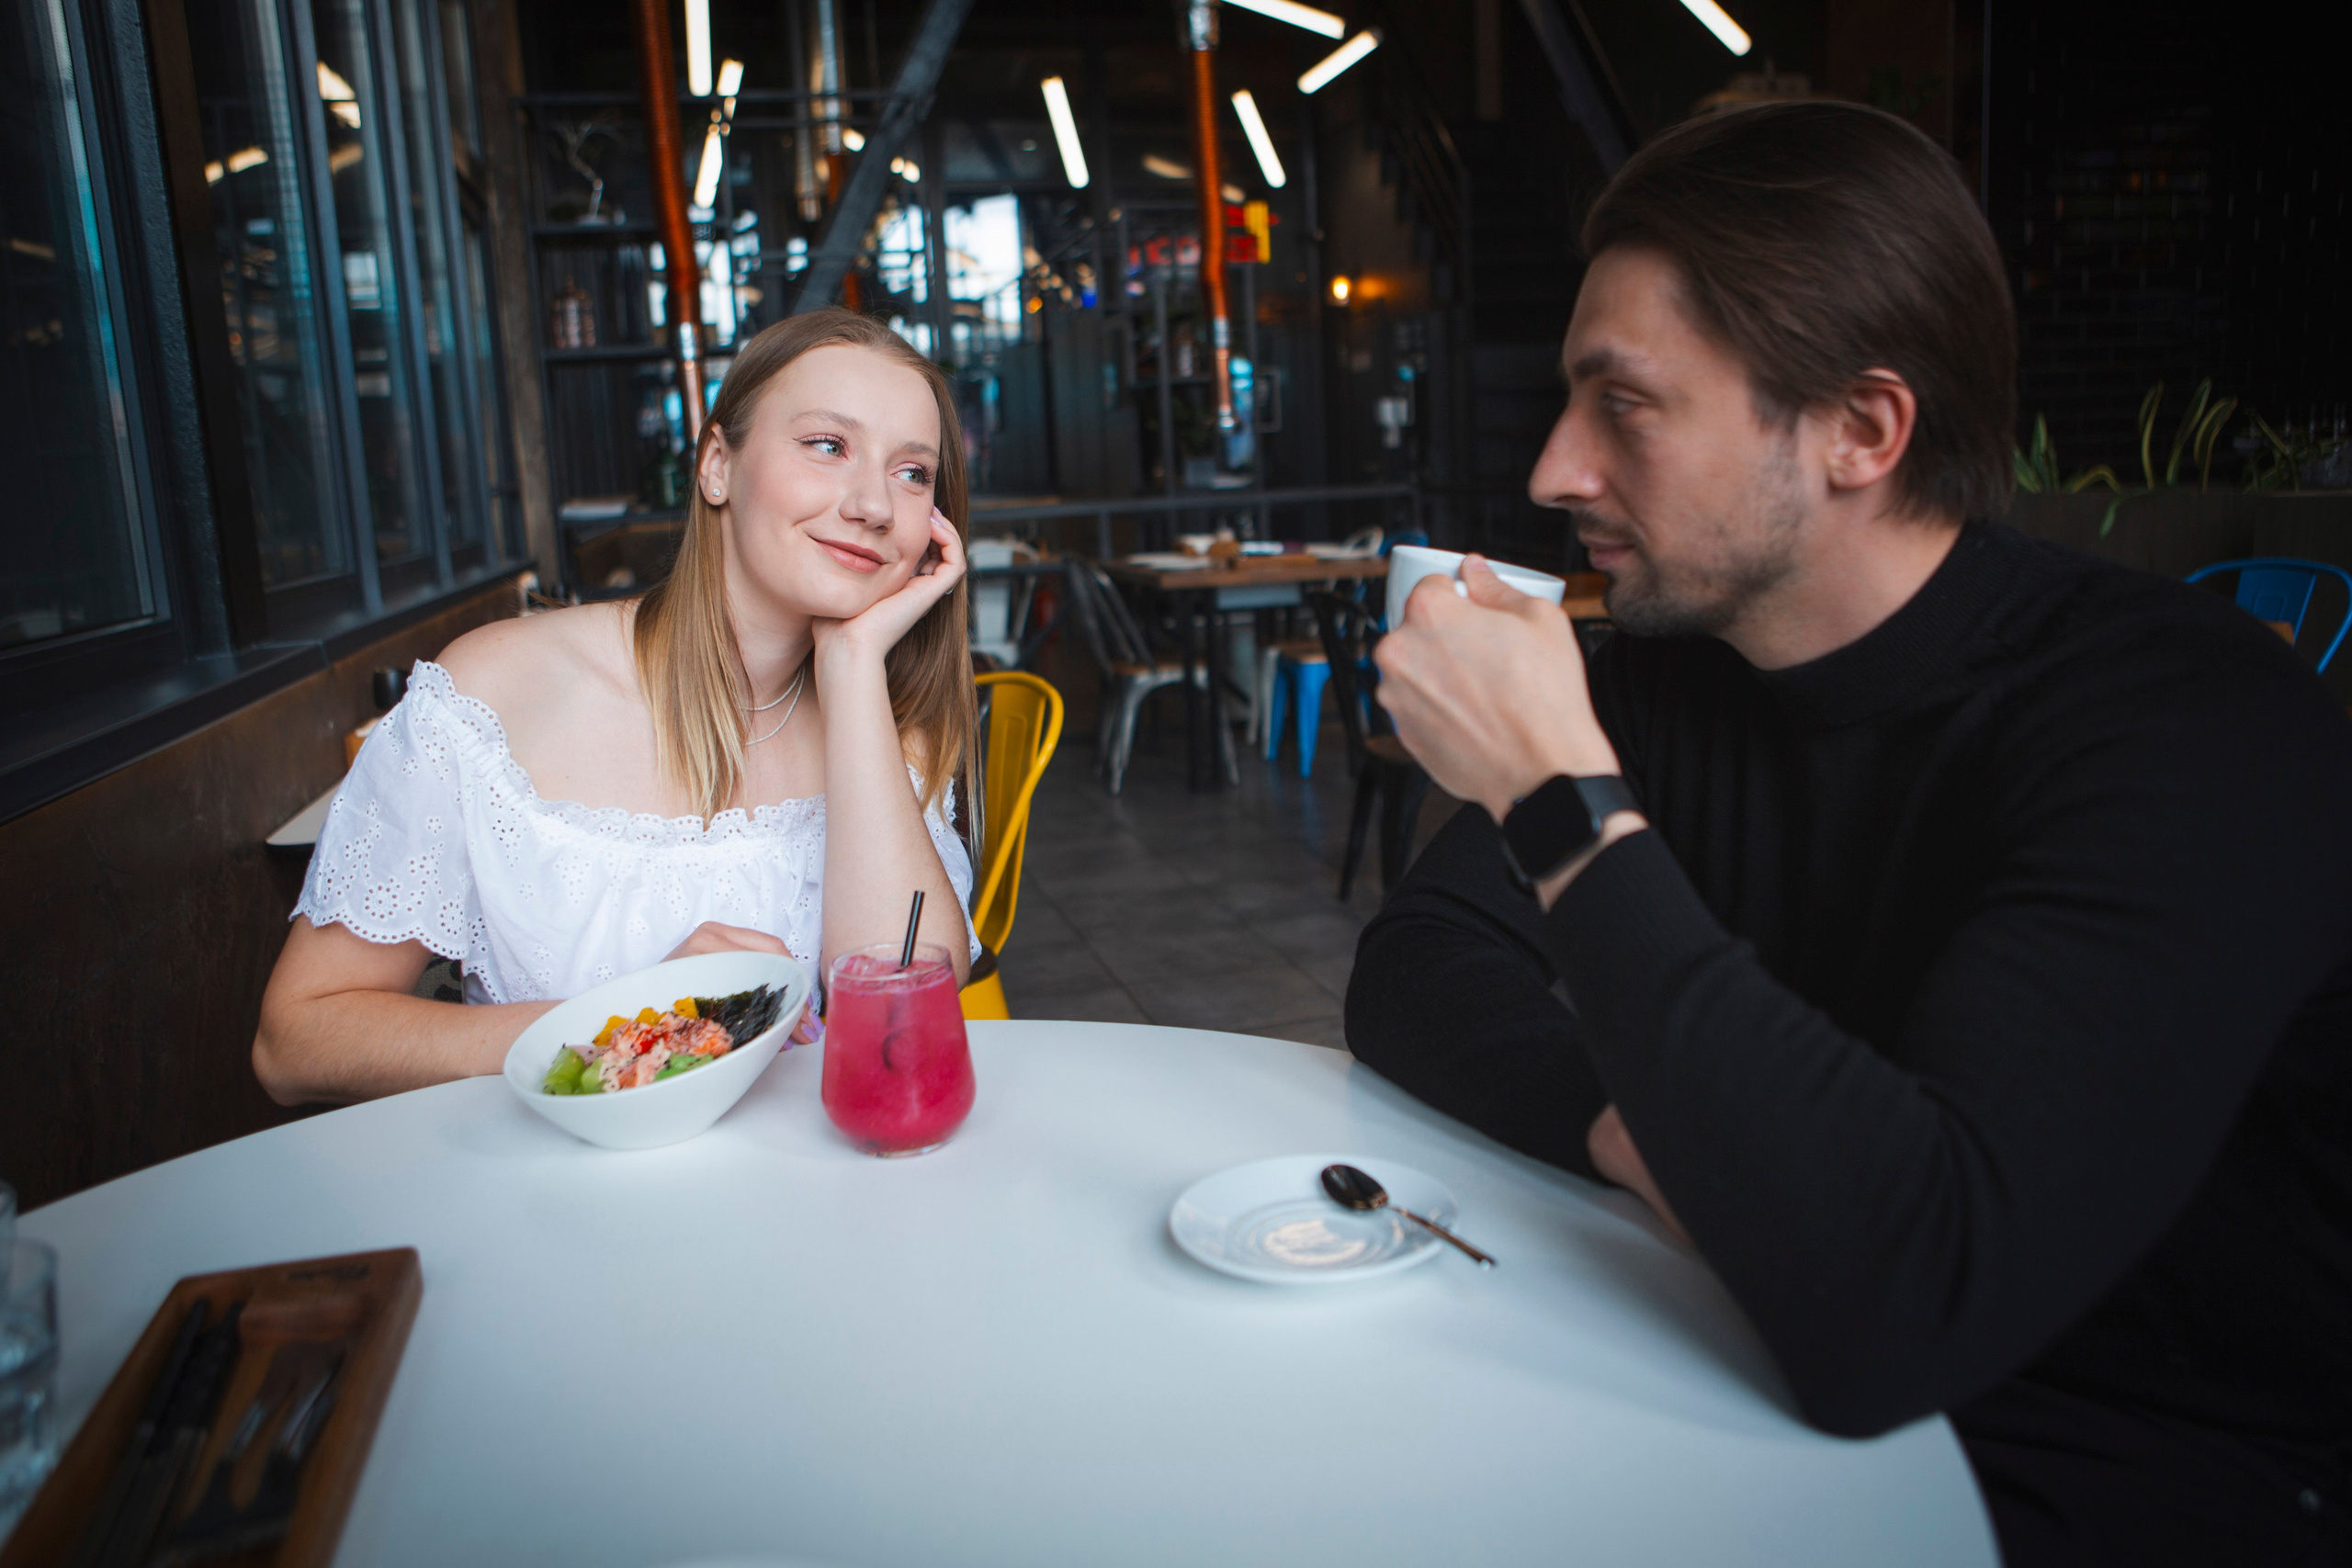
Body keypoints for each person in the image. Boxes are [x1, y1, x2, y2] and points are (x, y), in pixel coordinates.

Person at [1346, 102, 2352, 1565]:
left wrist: (1559, 797)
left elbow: (1904, 1301)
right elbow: (1419, 967)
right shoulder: (1677, 678)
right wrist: (1644, 1141)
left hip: (2142, 1462)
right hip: (1758, 1350)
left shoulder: (2191, 725)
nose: (1555, 469)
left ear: (1862, 431)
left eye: (1623, 403)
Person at [256, 309, 979, 1104]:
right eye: (828, 446)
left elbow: (904, 1021)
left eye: (913, 473)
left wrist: (849, 664)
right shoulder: (498, 691)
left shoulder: (883, 718)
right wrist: (637, 1021)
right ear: (715, 466)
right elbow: (296, 1041)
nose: (876, 504)